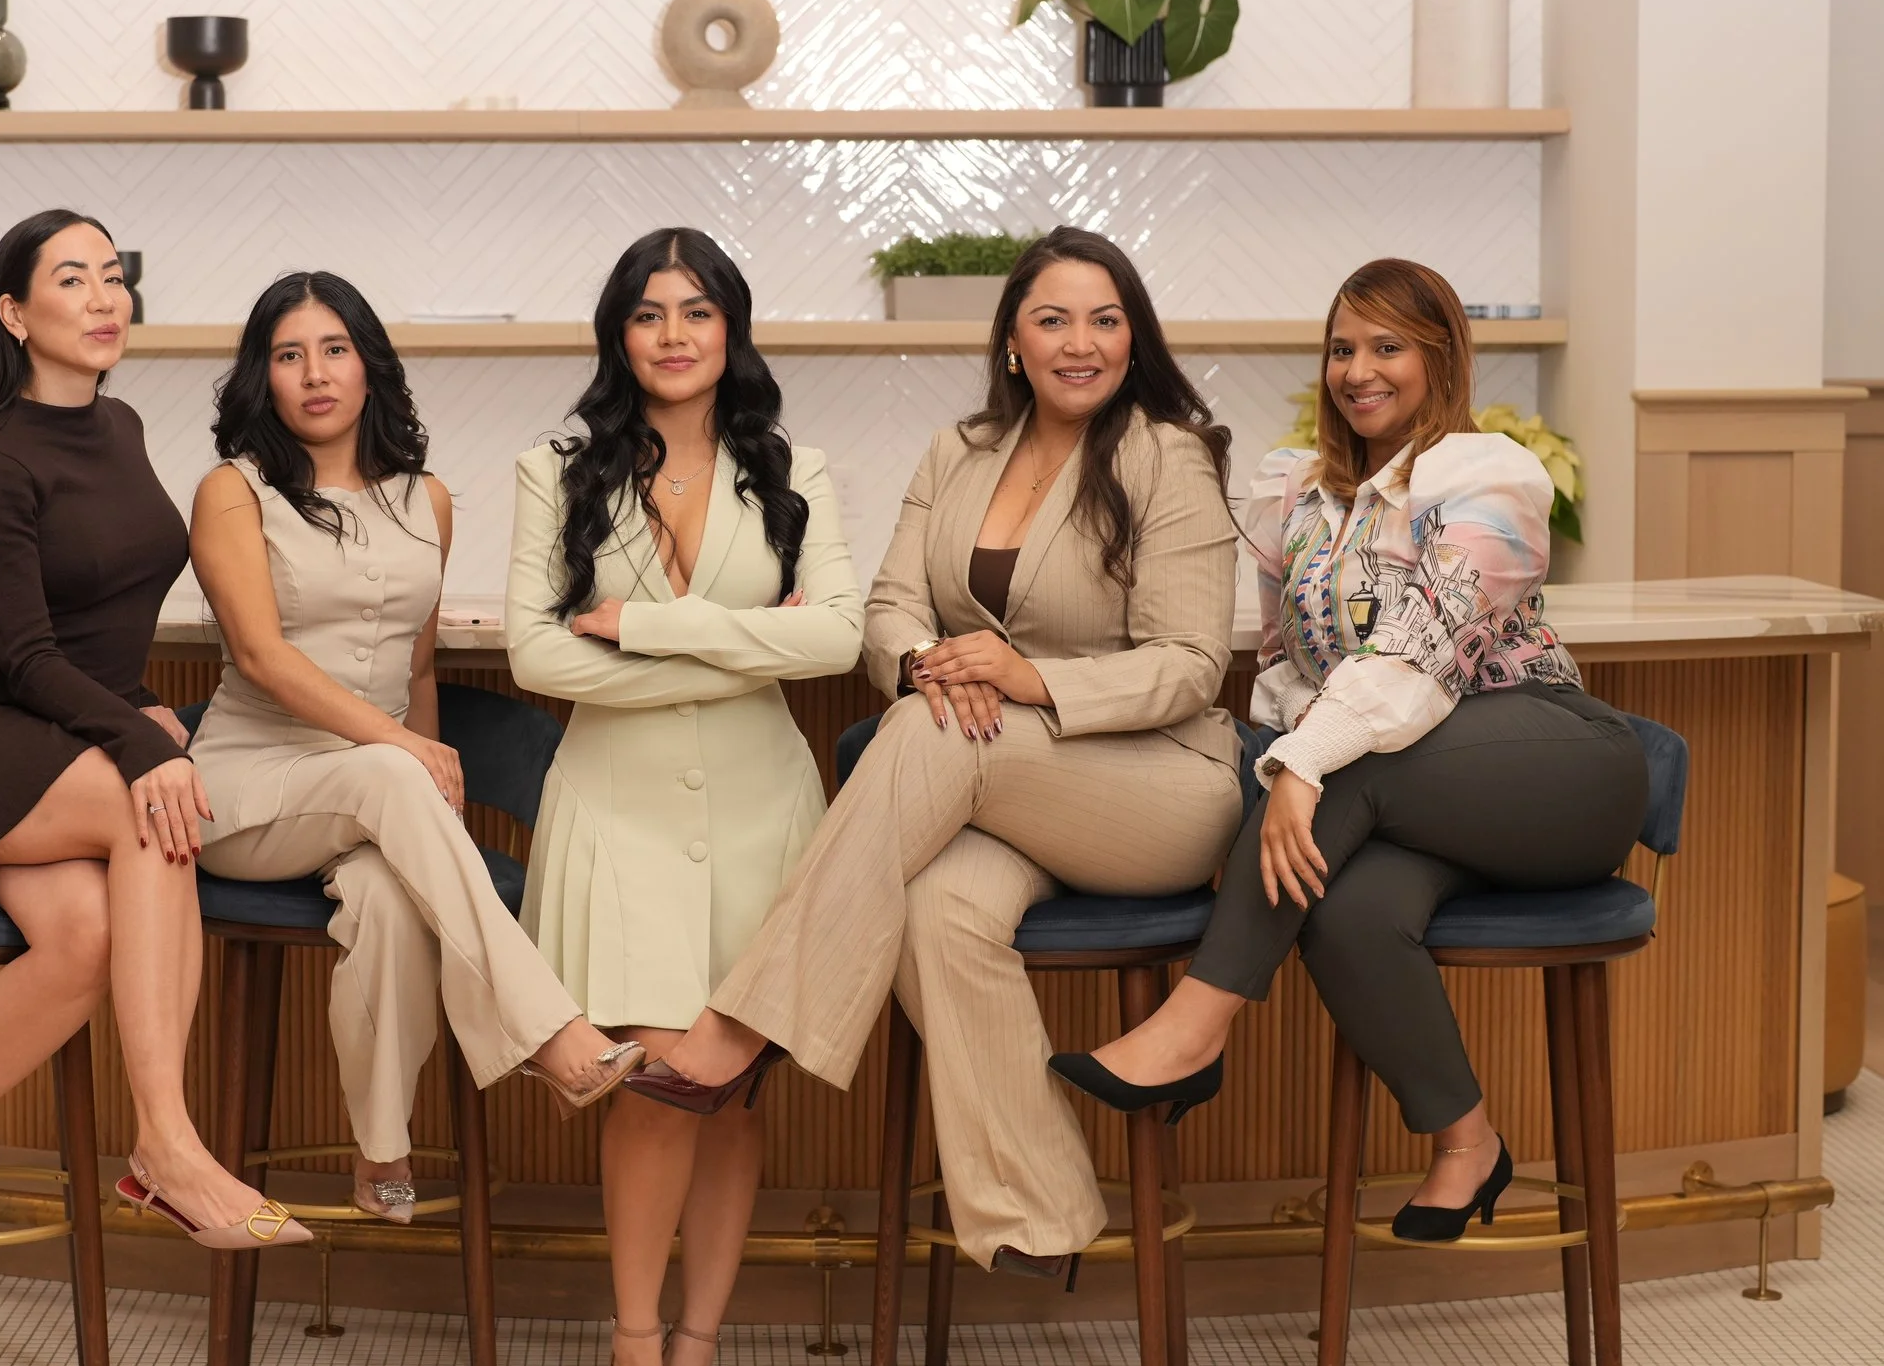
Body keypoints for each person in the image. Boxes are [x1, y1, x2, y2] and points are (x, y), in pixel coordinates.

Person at [633, 226, 1244, 1277]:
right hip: (999, 775)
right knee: (934, 908)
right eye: (1052, 319)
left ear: (1133, 336)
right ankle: (1041, 1208)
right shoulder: (959, 452)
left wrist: (1023, 678)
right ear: (1013, 339)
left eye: (1105, 320)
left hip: (1158, 785)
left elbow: (1190, 665)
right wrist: (926, 664)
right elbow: (889, 606)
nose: (1080, 343)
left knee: (932, 734)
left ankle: (746, 1022)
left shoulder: (1165, 454)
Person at [1064, 257, 1646, 1241]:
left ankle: (1195, 1024)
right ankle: (1467, 1142)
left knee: (1334, 758)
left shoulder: (1488, 471)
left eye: (1386, 346)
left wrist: (1298, 765)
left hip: (1556, 768)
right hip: (1415, 794)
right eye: (1342, 347)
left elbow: (1423, 649)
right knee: (1338, 905)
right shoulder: (1295, 495)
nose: (1357, 369)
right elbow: (1286, 667)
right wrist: (1285, 756)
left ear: (1439, 357)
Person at [0, 209, 310, 1257]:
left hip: (53, 735)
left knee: (87, 936)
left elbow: (96, 619)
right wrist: (143, 739)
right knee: (161, 807)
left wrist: (136, 702)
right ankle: (165, 1142)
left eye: (114, 276)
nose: (105, 299)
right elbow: (22, 655)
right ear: (14, 313)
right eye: (73, 280)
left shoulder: (123, 424)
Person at [506, 229, 863, 1366]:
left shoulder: (794, 468)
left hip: (768, 811)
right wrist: (734, 650)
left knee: (732, 1094)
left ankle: (698, 1353)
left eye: (695, 311)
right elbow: (535, 658)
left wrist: (649, 627)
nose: (671, 333)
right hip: (617, 808)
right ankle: (634, 1352)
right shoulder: (555, 466)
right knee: (655, 1077)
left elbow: (831, 639)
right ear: (618, 332)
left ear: (730, 330)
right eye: (647, 313)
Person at [184, 272, 646, 1223]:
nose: (314, 373)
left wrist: (420, 774)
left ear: (369, 366)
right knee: (390, 773)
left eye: (335, 349)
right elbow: (265, 659)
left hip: (370, 784)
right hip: (247, 788)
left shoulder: (424, 499)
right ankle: (551, 1033)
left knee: (394, 901)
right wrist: (404, 754)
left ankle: (379, 1149)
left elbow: (419, 667)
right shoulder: (234, 492)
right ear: (261, 378)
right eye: (288, 354)